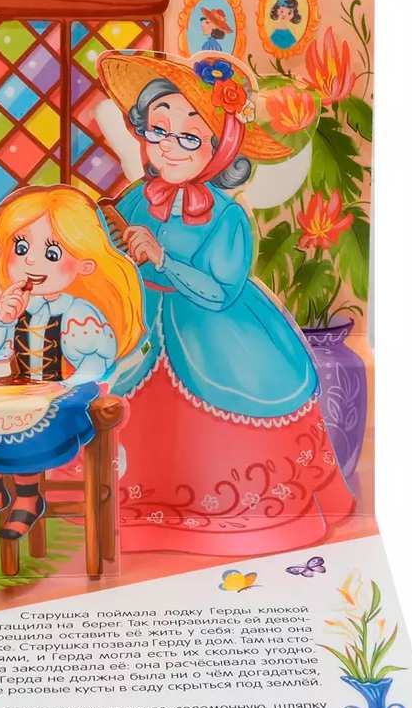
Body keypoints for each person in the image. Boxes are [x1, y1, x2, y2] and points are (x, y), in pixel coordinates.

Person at [96, 49, 354, 556]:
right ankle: (140, 513)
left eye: (189, 137)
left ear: (221, 148)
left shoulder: (227, 217)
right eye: (158, 130)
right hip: (144, 324)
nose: (169, 147)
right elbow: (112, 253)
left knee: (211, 435)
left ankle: (229, 516)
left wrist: (163, 259)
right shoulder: (136, 198)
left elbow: (220, 291)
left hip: (219, 334)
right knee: (133, 418)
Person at [0, 186, 144, 541]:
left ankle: (28, 498)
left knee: (31, 425)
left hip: (68, 391)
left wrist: (63, 386)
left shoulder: (79, 314)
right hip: (21, 388)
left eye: (52, 253)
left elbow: (96, 363)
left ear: (85, 263)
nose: (32, 262)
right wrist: (0, 319)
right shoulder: (15, 306)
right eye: (21, 248)